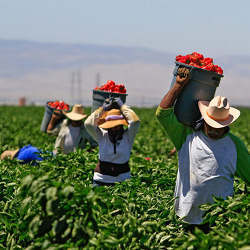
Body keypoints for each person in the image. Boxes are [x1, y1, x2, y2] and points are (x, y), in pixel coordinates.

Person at [156, 67, 250, 228]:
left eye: (218, 126)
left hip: (219, 221)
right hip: (185, 217)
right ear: (204, 119)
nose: (213, 129)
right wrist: (178, 86)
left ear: (226, 124)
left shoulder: (235, 145)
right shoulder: (187, 136)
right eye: (210, 124)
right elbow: (162, 114)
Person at [84, 97, 140, 186]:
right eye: (112, 125)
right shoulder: (102, 135)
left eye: (117, 125)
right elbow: (88, 124)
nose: (115, 128)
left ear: (122, 125)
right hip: (100, 179)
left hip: (122, 180)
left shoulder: (128, 136)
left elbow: (135, 122)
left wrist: (123, 107)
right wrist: (102, 109)